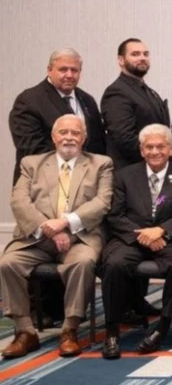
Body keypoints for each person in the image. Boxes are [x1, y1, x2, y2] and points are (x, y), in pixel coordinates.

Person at [0, 115, 113, 359]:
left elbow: (102, 202)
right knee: (7, 263)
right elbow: (19, 201)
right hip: (37, 238)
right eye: (63, 132)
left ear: (84, 138)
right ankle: (25, 331)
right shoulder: (32, 163)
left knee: (83, 262)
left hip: (80, 238)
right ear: (53, 137)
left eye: (75, 133)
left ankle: (70, 330)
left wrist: (65, 223)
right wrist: (47, 228)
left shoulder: (100, 164)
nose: (69, 137)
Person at [100, 125, 172, 359]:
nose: (155, 151)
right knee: (114, 263)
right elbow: (115, 215)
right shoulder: (124, 176)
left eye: (160, 146)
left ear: (171, 149)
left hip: (169, 239)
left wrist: (161, 231)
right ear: (141, 150)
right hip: (131, 237)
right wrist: (144, 236)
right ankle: (112, 331)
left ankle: (162, 327)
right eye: (149, 147)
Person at [9, 48, 106, 183]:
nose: (69, 75)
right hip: (43, 184)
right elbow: (31, 148)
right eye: (63, 69)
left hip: (86, 184)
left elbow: (98, 142)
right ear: (49, 70)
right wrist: (76, 166)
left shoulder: (87, 100)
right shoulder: (29, 100)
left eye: (74, 70)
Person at [100, 38, 171, 170]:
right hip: (131, 171)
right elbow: (124, 139)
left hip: (153, 169)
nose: (142, 58)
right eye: (135, 54)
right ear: (121, 60)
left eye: (145, 54)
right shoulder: (116, 92)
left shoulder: (149, 91)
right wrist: (156, 155)